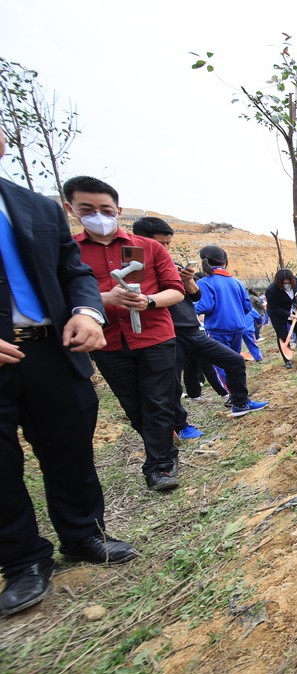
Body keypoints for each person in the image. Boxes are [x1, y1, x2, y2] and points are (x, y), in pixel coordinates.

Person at [0, 129, 137, 617]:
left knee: (69, 447)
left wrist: (86, 310)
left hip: (52, 348)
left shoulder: (34, 207)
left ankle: (83, 535)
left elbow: (71, 269)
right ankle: (21, 562)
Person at [65, 176, 187, 492]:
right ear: (71, 209)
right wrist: (103, 299)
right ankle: (165, 450)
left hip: (155, 337)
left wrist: (148, 300)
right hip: (106, 341)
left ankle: (159, 467)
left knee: (158, 401)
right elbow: (62, 296)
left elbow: (175, 291)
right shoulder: (68, 253)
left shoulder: (148, 248)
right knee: (134, 406)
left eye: (105, 209)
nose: (98, 215)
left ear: (118, 210)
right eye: (87, 209)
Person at [131, 218, 264, 433]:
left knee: (234, 360)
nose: (165, 249)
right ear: (140, 241)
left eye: (168, 244)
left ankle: (241, 402)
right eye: (161, 243)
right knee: (172, 382)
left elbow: (196, 299)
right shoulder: (136, 273)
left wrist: (188, 280)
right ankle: (180, 425)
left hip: (194, 330)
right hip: (166, 334)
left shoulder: (172, 267)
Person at [192, 245, 268, 417]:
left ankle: (235, 398)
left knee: (221, 366)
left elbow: (205, 306)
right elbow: (247, 306)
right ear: (225, 262)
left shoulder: (204, 283)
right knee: (235, 363)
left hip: (218, 329)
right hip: (237, 328)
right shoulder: (236, 282)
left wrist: (189, 307)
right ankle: (240, 399)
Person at [264, 269, 297, 368]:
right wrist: (288, 315)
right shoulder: (271, 290)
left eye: (289, 282)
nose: (287, 285)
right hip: (277, 313)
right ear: (279, 282)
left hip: (293, 309)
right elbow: (274, 308)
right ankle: (287, 360)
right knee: (283, 336)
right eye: (284, 283)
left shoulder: (296, 281)